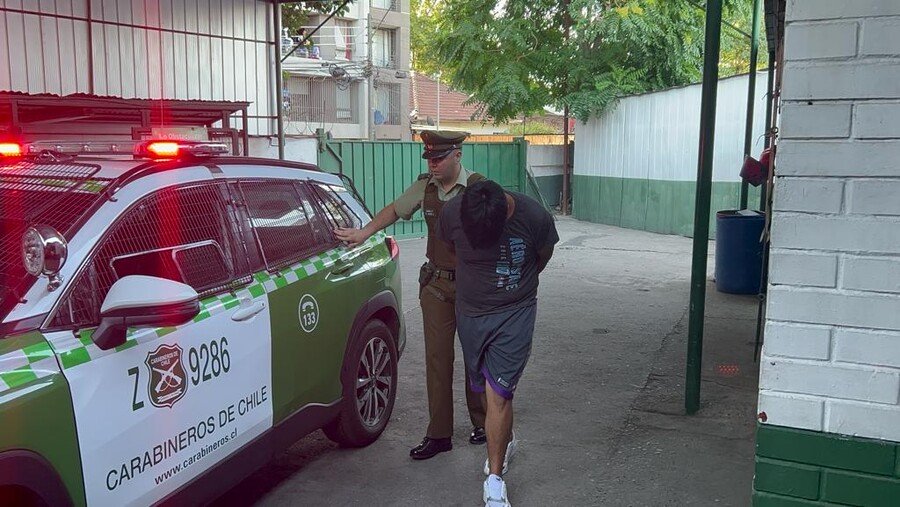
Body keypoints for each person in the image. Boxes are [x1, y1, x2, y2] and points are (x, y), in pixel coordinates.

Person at [334, 130, 488, 460]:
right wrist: (364, 233)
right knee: (437, 359)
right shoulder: (425, 187)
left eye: (438, 158)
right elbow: (394, 210)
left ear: (457, 155)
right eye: (429, 159)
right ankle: (439, 434)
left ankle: (485, 422)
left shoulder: (478, 187)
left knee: (477, 358)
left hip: (474, 287)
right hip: (437, 285)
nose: (432, 164)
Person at [437, 180, 558, 507]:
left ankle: (494, 480)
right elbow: (451, 249)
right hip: (471, 313)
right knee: (483, 388)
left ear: (505, 214)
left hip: (514, 313)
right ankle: (505, 440)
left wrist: (514, 287)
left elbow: (542, 258)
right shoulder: (453, 213)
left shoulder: (534, 217)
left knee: (499, 392)